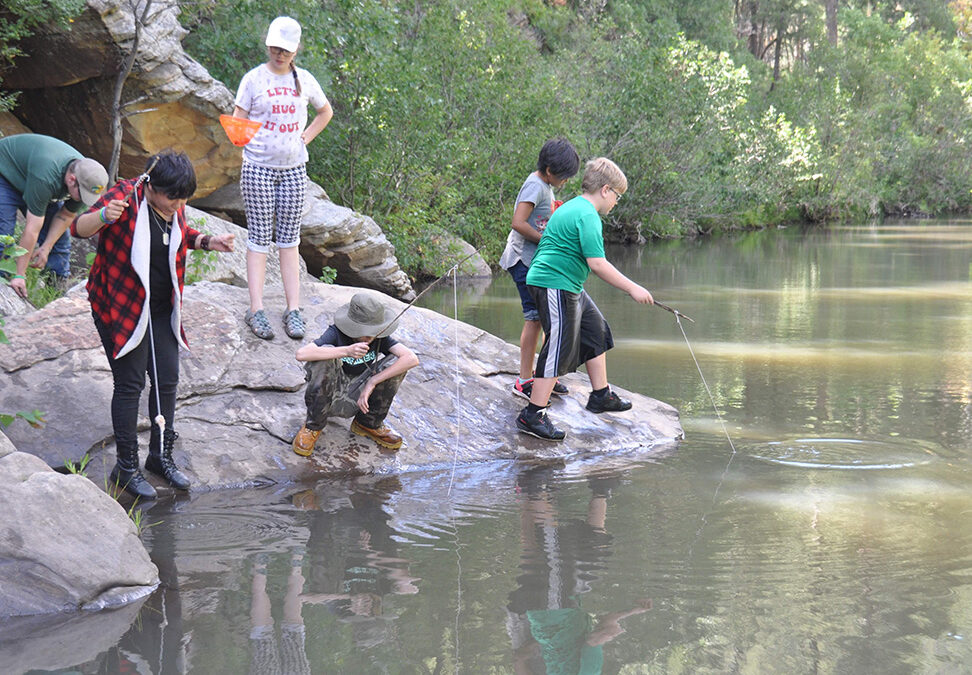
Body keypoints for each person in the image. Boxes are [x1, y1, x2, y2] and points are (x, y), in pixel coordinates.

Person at [72, 151, 235, 500]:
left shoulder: (173, 205)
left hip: (161, 308)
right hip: (120, 306)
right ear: (151, 187)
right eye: (173, 198)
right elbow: (78, 227)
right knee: (130, 384)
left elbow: (179, 234)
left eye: (184, 198)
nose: (179, 205)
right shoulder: (125, 197)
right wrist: (102, 215)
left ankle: (160, 457)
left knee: (167, 379)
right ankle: (126, 467)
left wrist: (207, 242)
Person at [516, 157, 654, 441]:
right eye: (617, 196)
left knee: (595, 330)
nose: (616, 202)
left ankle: (601, 395)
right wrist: (633, 288)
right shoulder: (587, 215)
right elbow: (598, 264)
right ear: (605, 190)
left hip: (568, 284)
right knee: (559, 347)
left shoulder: (573, 207)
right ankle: (533, 415)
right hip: (553, 283)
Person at [233, 16, 333, 341]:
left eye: (286, 51)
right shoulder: (253, 79)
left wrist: (306, 137)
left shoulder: (304, 79)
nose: (280, 55)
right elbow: (238, 120)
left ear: (295, 51)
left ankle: (293, 309)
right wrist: (244, 142)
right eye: (276, 48)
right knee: (260, 236)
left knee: (289, 239)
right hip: (258, 167)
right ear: (268, 45)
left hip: (293, 169)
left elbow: (325, 111)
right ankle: (256, 309)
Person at [498, 138, 579, 401]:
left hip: (536, 263)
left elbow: (538, 216)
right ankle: (524, 381)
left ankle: (544, 375)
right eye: (563, 176)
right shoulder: (535, 185)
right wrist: (547, 240)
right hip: (523, 261)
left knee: (547, 318)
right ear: (549, 170)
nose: (565, 181)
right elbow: (518, 222)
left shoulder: (544, 186)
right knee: (534, 318)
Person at [292, 293, 419, 457]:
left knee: (397, 362)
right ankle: (313, 426)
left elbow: (411, 358)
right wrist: (346, 351)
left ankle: (368, 423)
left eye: (373, 331)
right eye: (365, 332)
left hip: (361, 395)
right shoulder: (336, 332)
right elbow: (302, 354)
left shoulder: (380, 338)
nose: (370, 337)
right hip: (331, 393)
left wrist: (373, 382)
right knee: (325, 354)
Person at [0, 133, 109, 298]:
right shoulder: (47, 177)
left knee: (59, 242)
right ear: (71, 180)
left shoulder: (86, 179)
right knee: (4, 235)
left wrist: (46, 247)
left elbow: (66, 215)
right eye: (83, 195)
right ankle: (5, 285)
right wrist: (20, 274)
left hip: (35, 181)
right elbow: (32, 229)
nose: (84, 200)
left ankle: (56, 294)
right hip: (6, 172)